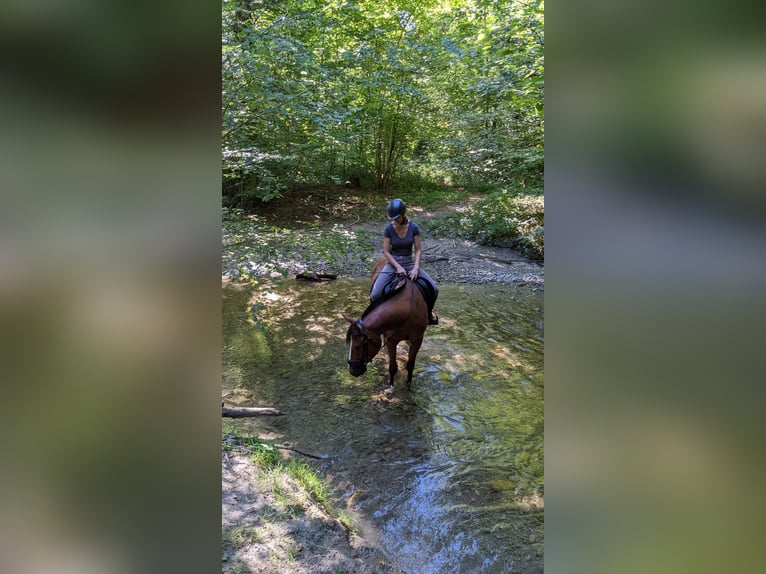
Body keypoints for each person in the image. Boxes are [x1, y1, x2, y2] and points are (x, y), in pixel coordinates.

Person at [370, 198, 439, 325]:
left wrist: (416, 268)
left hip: (409, 263)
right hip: (392, 264)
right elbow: (386, 252)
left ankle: (428, 315)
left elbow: (418, 250)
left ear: (403, 213)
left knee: (434, 289)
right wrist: (397, 267)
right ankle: (375, 318)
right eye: (393, 218)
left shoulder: (414, 227)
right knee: (375, 294)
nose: (394, 220)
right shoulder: (388, 229)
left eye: (397, 217)